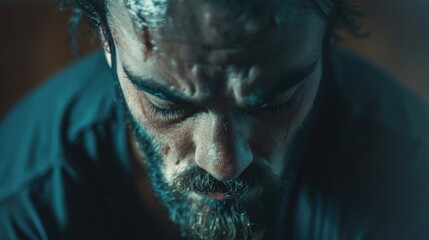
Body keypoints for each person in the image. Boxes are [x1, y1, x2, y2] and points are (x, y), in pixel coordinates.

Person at [1, 0, 428, 239]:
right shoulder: (24, 209)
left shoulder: (412, 180)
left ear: (327, 38)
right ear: (107, 42)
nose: (223, 162)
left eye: (274, 100)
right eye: (168, 106)